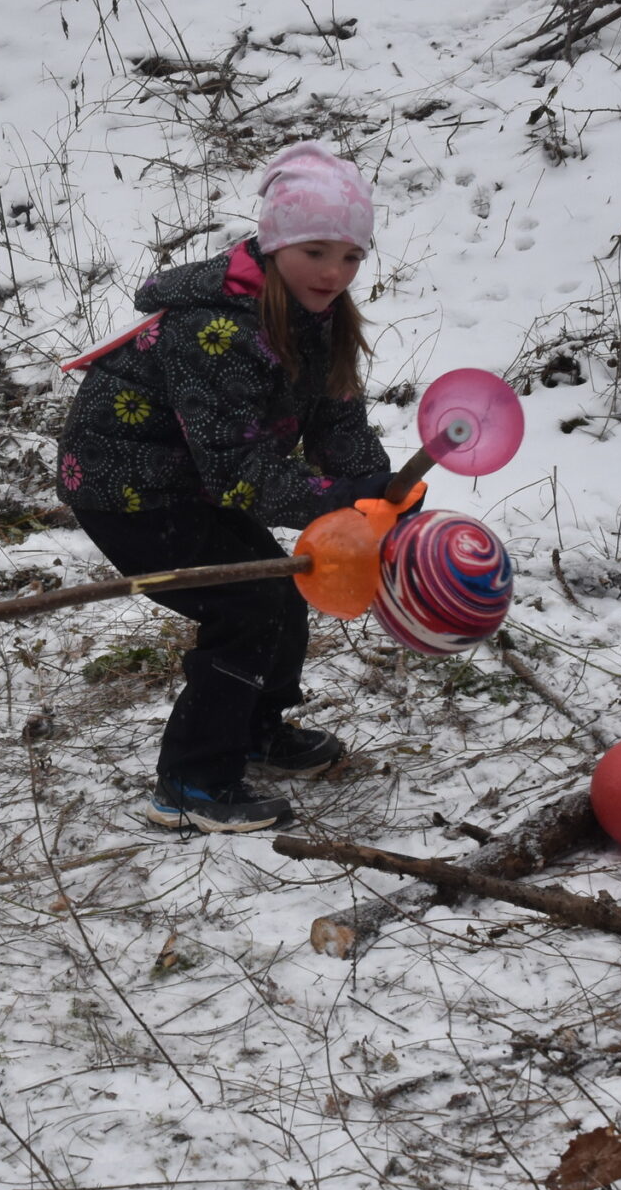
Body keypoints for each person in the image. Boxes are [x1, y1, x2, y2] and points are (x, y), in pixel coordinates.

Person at [56, 142, 416, 834]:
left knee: (283, 584)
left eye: (351, 256)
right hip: (126, 487)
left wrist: (382, 494)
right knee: (247, 606)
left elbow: (337, 421)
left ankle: (254, 730)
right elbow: (239, 472)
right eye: (316, 251)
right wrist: (340, 500)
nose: (335, 272)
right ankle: (192, 780)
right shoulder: (215, 327)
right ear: (275, 243)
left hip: (192, 483)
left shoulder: (319, 317)